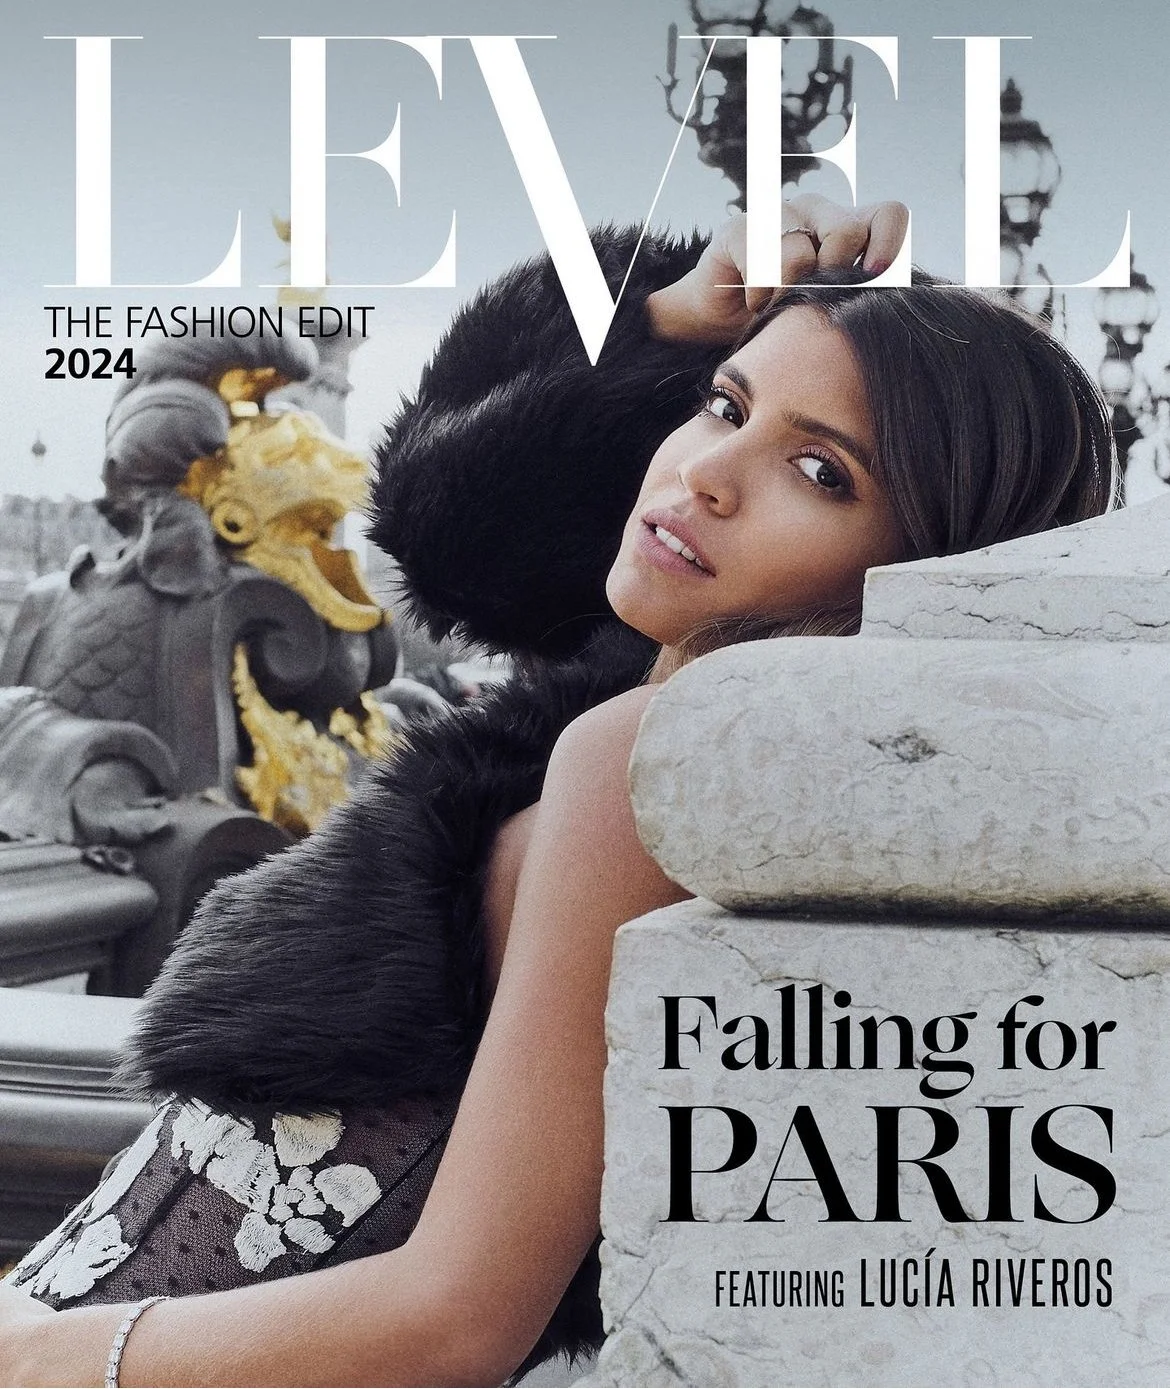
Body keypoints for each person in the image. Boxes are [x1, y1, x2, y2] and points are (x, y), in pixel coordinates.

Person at [0, 193, 1114, 1387]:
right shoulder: (702, 736)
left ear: (929, 558)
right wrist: (669, 317)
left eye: (818, 469)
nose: (707, 474)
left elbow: (457, 1320)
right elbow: (456, 539)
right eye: (720, 403)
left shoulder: (646, 762)